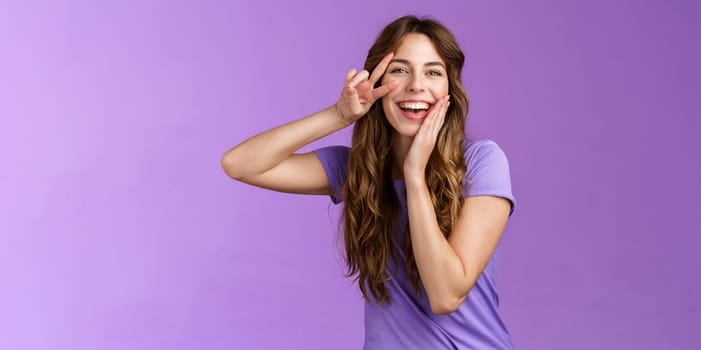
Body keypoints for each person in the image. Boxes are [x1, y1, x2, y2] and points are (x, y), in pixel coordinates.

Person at [221, 15, 516, 349]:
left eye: (433, 72)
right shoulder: (356, 169)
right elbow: (240, 164)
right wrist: (339, 115)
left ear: (450, 88)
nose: (416, 85)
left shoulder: (482, 162)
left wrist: (414, 175)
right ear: (377, 81)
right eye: (400, 70)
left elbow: (445, 295)